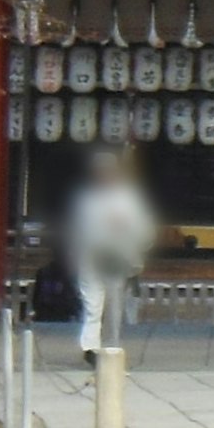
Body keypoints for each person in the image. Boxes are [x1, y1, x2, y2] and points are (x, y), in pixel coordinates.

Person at [66, 147, 160, 356]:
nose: (103, 175)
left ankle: (112, 348)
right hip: (90, 255)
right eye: (99, 171)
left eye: (107, 171)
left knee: (113, 305)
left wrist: (127, 225)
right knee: (92, 303)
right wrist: (74, 253)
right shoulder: (85, 199)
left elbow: (145, 231)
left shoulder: (128, 198)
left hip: (116, 256)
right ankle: (90, 348)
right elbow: (76, 230)